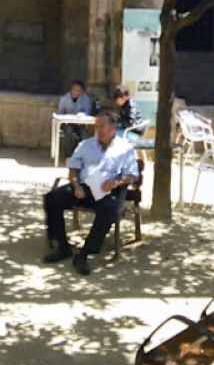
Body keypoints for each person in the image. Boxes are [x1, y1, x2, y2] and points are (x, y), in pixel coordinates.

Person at [41, 111, 140, 275]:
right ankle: (62, 247)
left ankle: (84, 254)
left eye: (102, 126)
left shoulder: (125, 148)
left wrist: (117, 182)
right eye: (96, 126)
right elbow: (73, 168)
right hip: (84, 188)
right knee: (53, 198)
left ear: (113, 128)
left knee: (110, 210)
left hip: (107, 190)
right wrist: (75, 185)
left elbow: (132, 175)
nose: (98, 130)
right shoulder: (86, 144)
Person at [56, 78, 96, 151]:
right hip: (67, 124)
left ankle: (82, 155)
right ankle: (69, 155)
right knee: (69, 133)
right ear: (71, 89)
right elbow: (60, 113)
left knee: (84, 136)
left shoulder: (86, 99)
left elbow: (88, 112)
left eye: (79, 90)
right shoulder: (64, 99)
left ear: (82, 91)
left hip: (80, 124)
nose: (76, 92)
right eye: (74, 89)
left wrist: (83, 115)